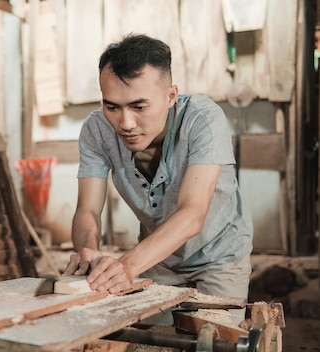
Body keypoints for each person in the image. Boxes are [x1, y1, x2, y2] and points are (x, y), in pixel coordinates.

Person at [63, 33, 253, 322]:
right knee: (150, 339)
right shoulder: (96, 130)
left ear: (171, 96)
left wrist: (126, 266)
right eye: (112, 106)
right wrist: (87, 249)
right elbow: (87, 210)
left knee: (214, 338)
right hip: (158, 258)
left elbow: (192, 215)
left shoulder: (203, 120)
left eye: (139, 107)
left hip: (220, 257)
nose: (125, 123)